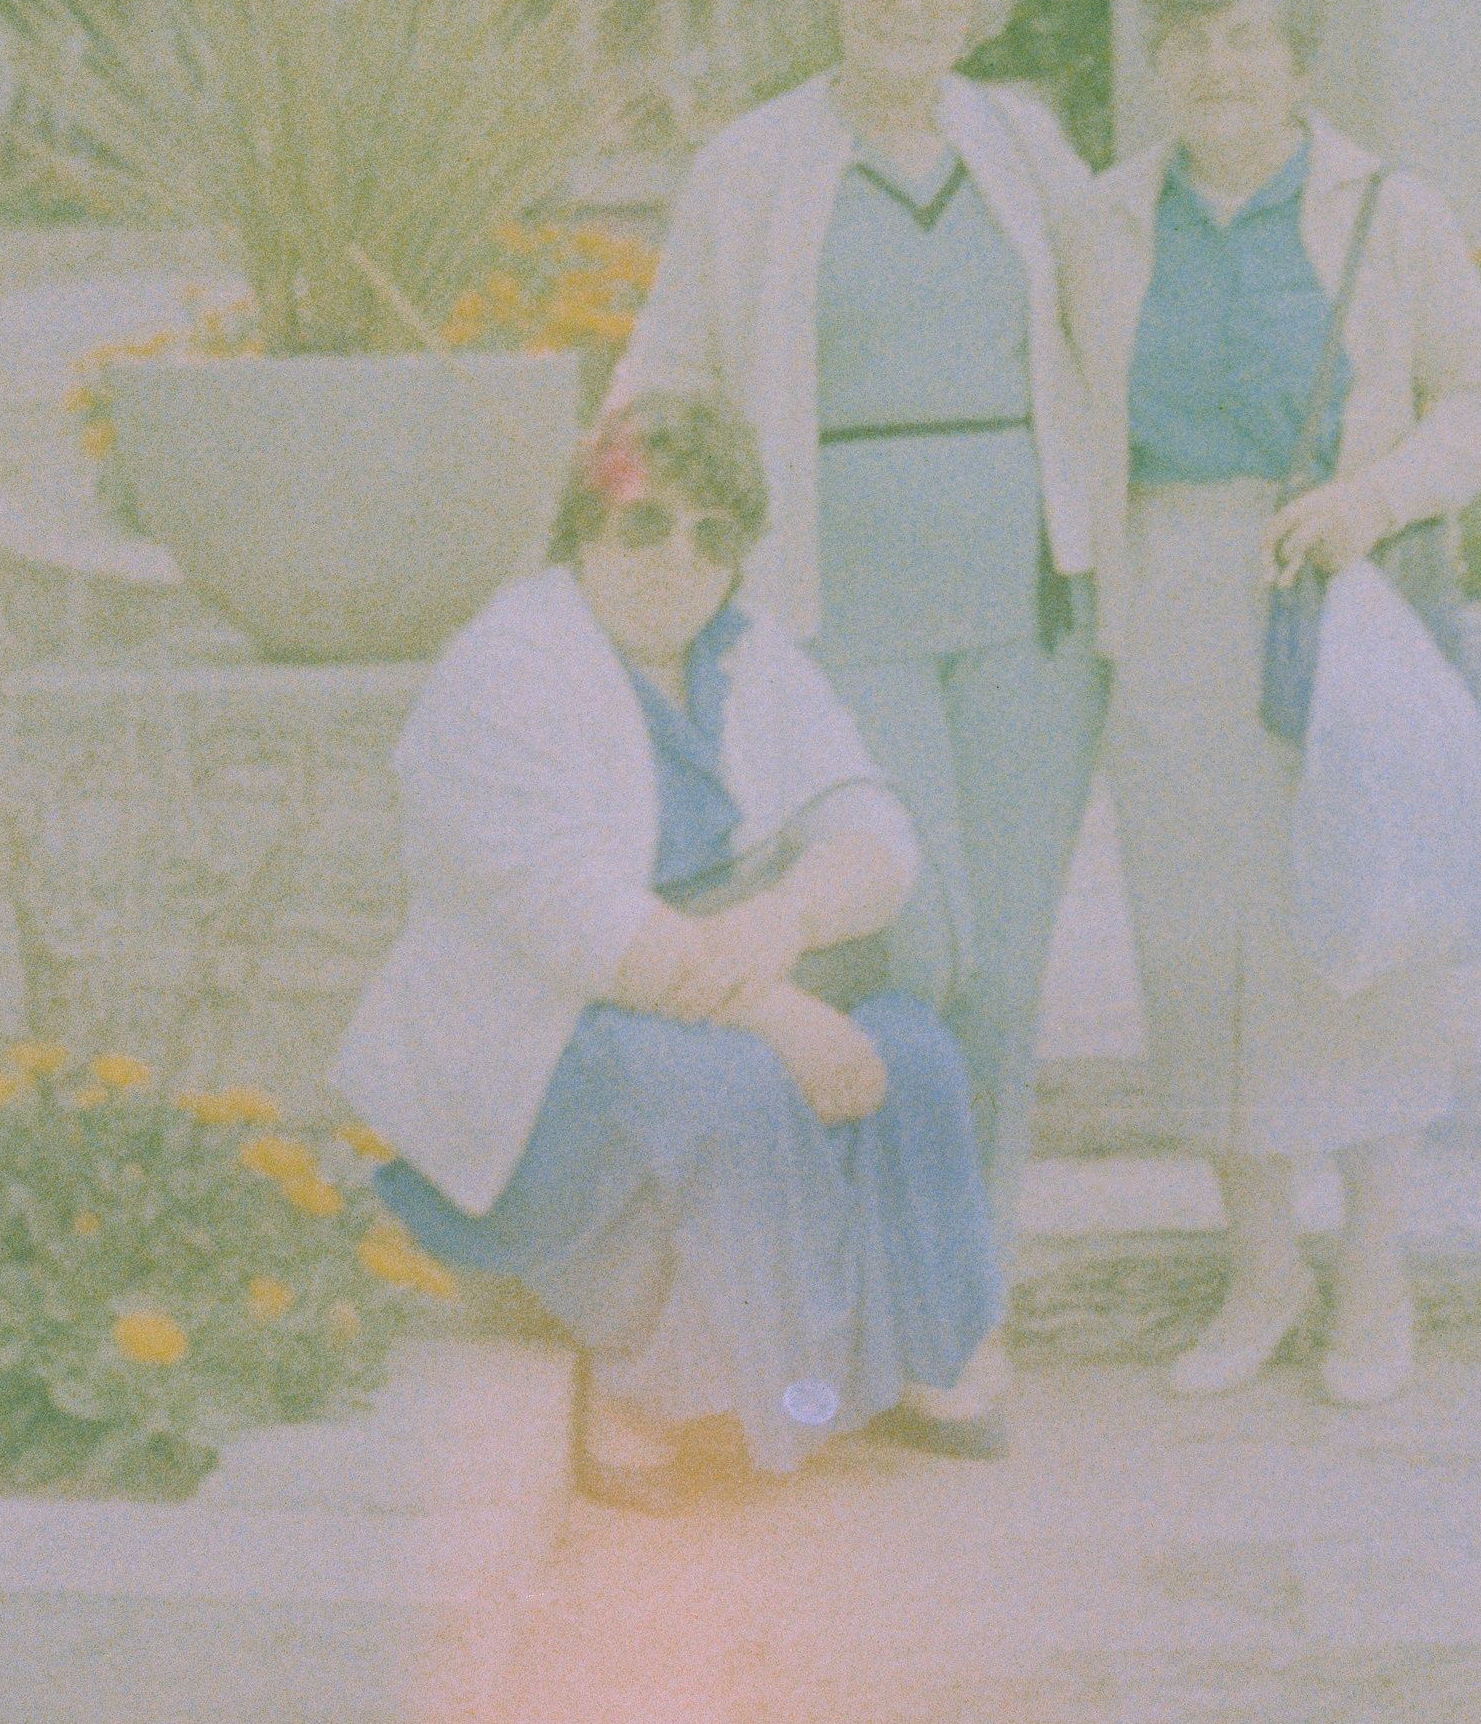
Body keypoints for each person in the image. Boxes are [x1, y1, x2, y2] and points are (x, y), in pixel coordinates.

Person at [609, 0, 1113, 1424]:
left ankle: (955, 1313)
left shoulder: (1024, 143)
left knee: (1005, 977)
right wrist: (622, 550)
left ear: (980, 2)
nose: (910, 0)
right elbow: (668, 367)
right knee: (919, 941)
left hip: (1030, 612)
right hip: (842, 616)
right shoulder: (753, 163)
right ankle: (843, 1280)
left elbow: (1123, 316)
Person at [332, 394, 1006, 1507]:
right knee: (723, 1089)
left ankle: (899, 1363)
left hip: (718, 972)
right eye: (644, 523)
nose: (677, 558)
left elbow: (875, 834)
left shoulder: (746, 654)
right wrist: (777, 1009)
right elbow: (573, 919)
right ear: (583, 530)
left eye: (712, 535)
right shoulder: (505, 668)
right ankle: (648, 1388)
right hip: (553, 1022)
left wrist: (783, 923)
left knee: (911, 1054)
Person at [1064, 0, 1481, 1405]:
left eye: (1247, 39)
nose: (1217, 66)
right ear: (1157, 62)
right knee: (1203, 940)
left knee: (1357, 916)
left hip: (1336, 592)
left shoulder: (1384, 209)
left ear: (1297, 63)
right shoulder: (1103, 220)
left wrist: (1370, 501)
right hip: (1168, 596)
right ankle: (1261, 1270)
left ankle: (1374, 1271)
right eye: (1189, 40)